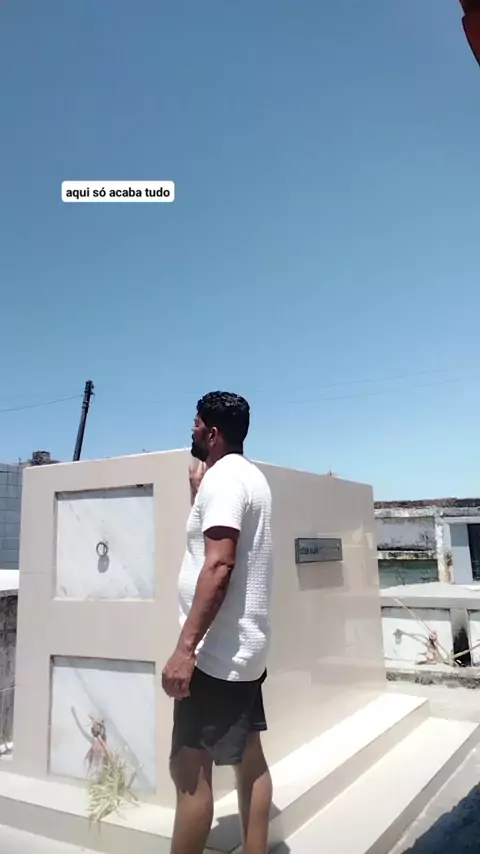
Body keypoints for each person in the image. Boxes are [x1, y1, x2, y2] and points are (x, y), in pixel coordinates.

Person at [162, 390, 274, 854]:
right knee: (250, 760)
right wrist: (198, 493)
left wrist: (185, 650)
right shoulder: (248, 477)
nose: (190, 430)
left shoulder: (224, 481)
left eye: (195, 424)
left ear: (212, 433)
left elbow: (220, 564)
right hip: (243, 650)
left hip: (215, 656)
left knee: (189, 771)